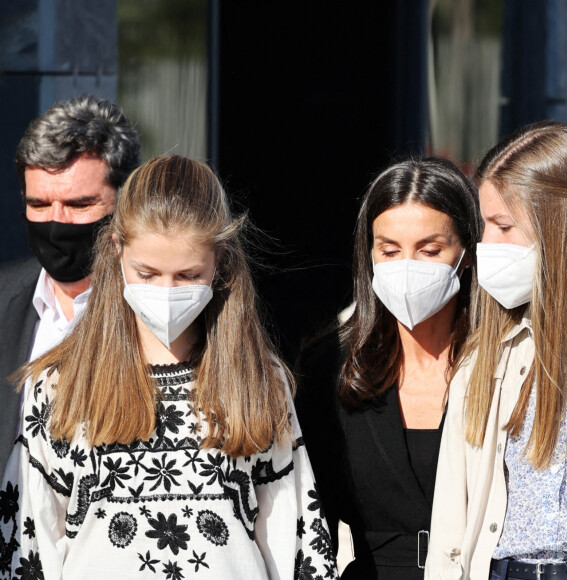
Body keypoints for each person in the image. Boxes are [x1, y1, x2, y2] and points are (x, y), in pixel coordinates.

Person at [0, 155, 338, 580]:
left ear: (220, 261)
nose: (166, 291)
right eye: (147, 273)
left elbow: (296, 542)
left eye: (187, 275)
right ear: (116, 249)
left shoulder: (257, 379)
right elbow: (29, 547)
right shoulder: (59, 384)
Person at [297, 157, 480, 579]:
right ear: (370, 253)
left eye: (430, 250)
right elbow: (309, 518)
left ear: (466, 253)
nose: (408, 266)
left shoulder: (503, 364)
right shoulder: (331, 366)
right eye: (390, 250)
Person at [426, 121, 567, 580]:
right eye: (484, 225)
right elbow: (453, 511)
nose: (485, 246)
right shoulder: (488, 357)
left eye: (504, 226)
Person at [0, 94, 141, 478]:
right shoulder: (4, 299)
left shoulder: (160, 311)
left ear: (123, 204)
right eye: (40, 205)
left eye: (79, 205)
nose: (56, 223)